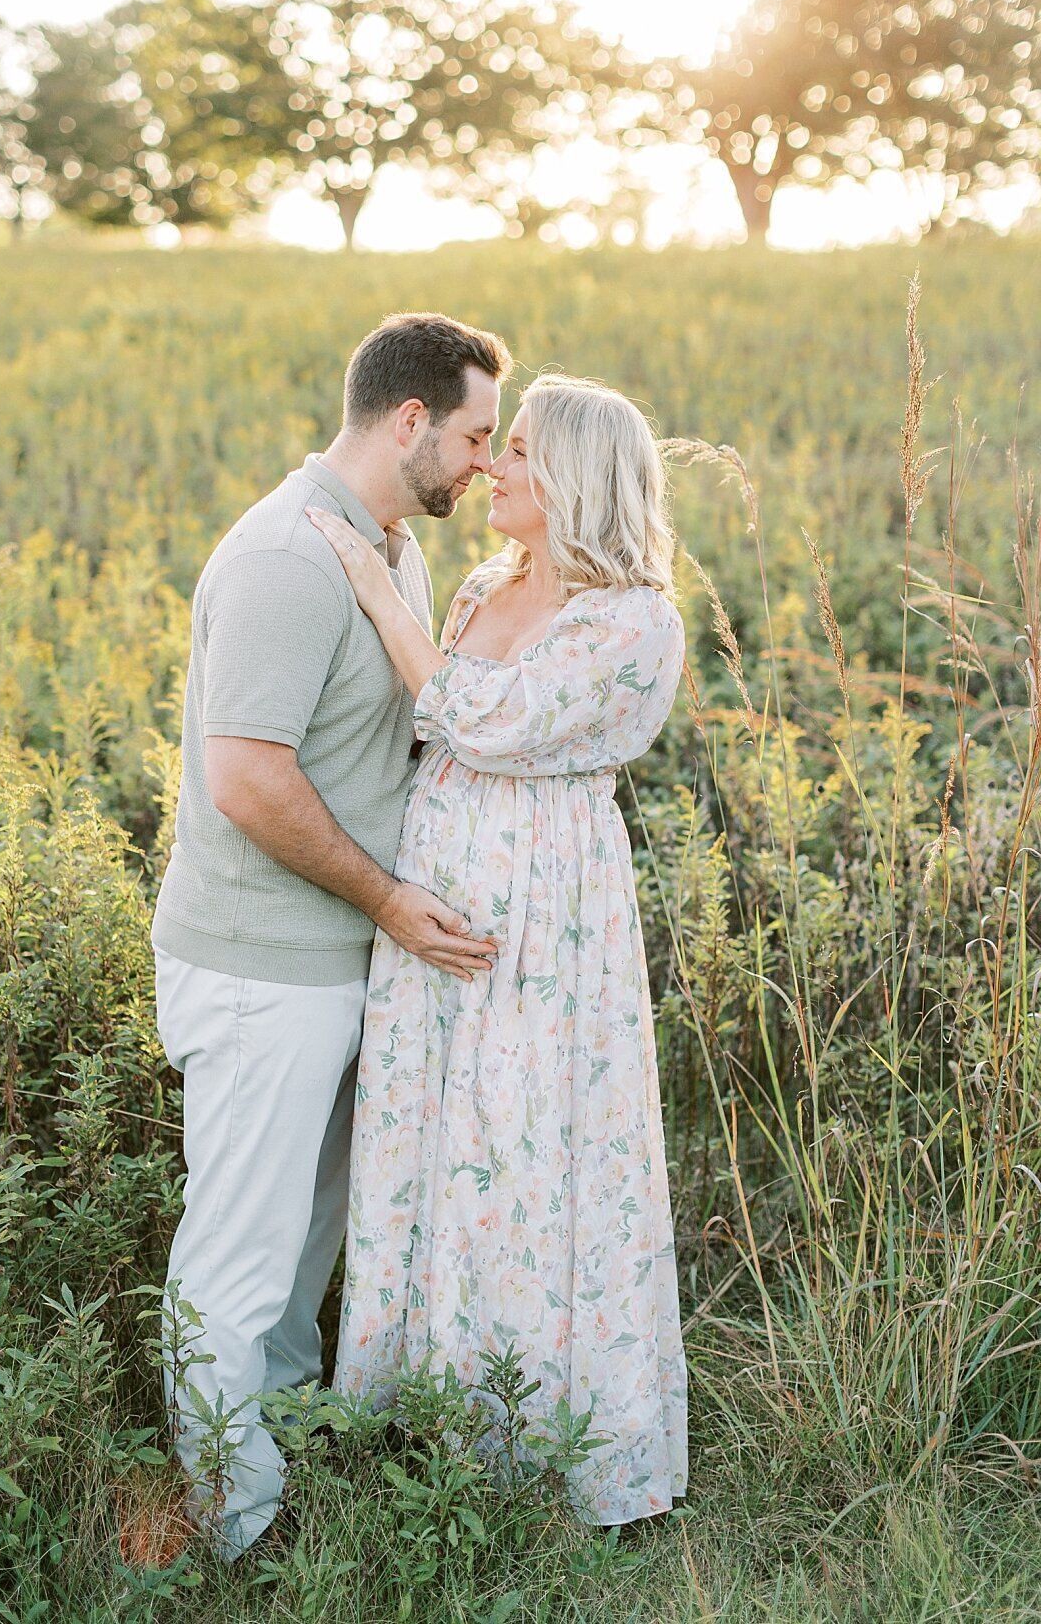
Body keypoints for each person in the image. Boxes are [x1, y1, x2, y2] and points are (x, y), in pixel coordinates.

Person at [150, 312, 512, 1560]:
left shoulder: (389, 546)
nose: (484, 463)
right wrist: (389, 901)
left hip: (338, 963)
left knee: (306, 1248)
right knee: (240, 1258)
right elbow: (247, 779)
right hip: (261, 967)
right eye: (472, 435)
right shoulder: (284, 562)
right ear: (409, 419)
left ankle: (282, 1446)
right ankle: (228, 1530)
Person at [307, 373, 689, 1525]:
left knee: (531, 1152)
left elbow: (490, 723)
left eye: (517, 451)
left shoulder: (633, 618)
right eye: (495, 445)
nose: (492, 467)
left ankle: (550, 1451)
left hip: (546, 914)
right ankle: (427, 1429)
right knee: (434, 1136)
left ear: (574, 475)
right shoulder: (482, 584)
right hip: (434, 903)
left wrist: (382, 599)